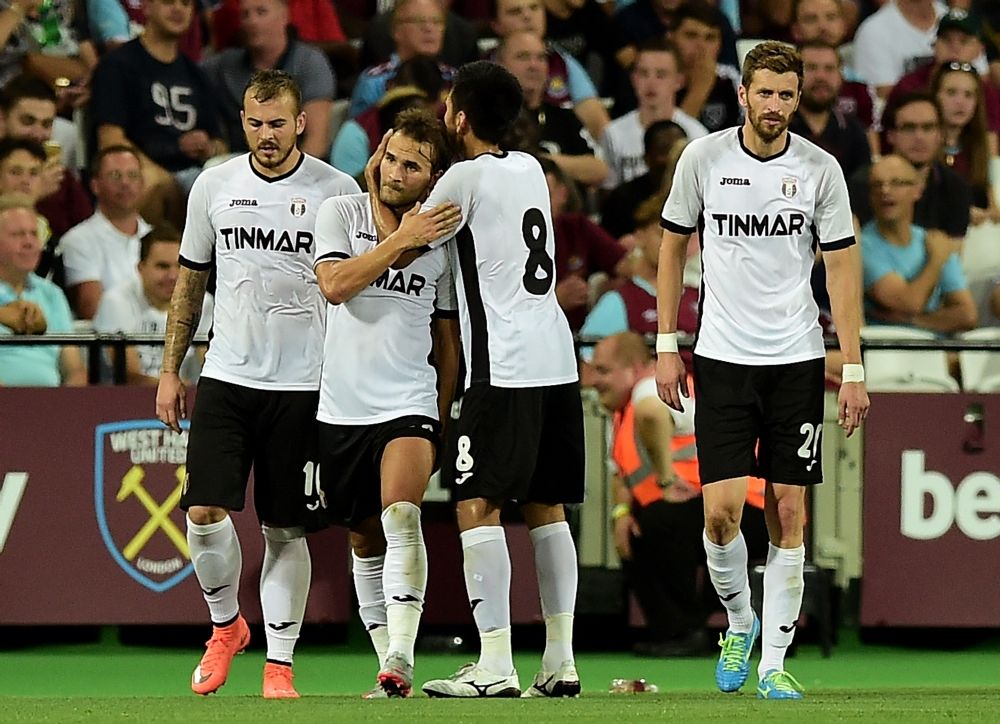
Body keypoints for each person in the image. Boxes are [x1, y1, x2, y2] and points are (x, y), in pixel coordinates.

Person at [656, 41, 869, 700]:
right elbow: (671, 248)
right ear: (743, 95)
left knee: (788, 509)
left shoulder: (820, 169)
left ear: (797, 100)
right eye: (765, 93)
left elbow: (842, 269)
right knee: (721, 515)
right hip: (721, 356)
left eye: (786, 94)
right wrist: (666, 343)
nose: (774, 105)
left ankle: (774, 662)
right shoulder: (703, 158)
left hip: (796, 358)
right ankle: (740, 620)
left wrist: (853, 367)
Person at [154, 70, 360, 700]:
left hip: (305, 385)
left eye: (277, 124)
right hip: (228, 375)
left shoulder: (337, 191)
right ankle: (226, 627)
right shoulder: (214, 184)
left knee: (285, 529)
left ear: (301, 123)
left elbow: (355, 290)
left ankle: (281, 664)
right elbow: (190, 283)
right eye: (255, 123)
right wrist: (170, 369)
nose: (266, 135)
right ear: (242, 122)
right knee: (202, 511)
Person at [396, 61, 584, 698]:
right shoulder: (529, 168)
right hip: (555, 358)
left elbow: (409, 243)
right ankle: (560, 661)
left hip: (501, 364)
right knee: (546, 506)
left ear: (459, 117)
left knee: (477, 503)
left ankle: (496, 663)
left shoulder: (463, 177)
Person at [313, 108, 462, 699]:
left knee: (402, 513)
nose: (397, 172)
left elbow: (447, 341)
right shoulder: (340, 212)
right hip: (342, 407)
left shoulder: (445, 238)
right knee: (362, 538)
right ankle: (386, 663)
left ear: (433, 177)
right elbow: (335, 286)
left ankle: (401, 656)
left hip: (409, 399)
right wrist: (402, 238)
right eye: (391, 158)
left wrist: (440, 417)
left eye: (412, 166)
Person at [592, 331, 707, 657]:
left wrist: (667, 480)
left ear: (634, 368)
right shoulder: (619, 411)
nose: (594, 381)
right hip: (697, 506)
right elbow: (620, 474)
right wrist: (622, 513)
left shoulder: (651, 386)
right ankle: (673, 632)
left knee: (661, 520)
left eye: (603, 371)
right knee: (636, 529)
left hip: (742, 504)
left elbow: (651, 413)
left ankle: (689, 628)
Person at [89, 0, 226, 226]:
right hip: (142, 170)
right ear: (147, 6)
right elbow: (110, 139)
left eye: (186, 3)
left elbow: (220, 144)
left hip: (193, 175)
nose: (178, 9)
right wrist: (162, 175)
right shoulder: (117, 65)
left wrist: (208, 147)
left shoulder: (197, 75)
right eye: (168, 1)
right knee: (152, 182)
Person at [202, 0, 336, 159]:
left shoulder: (309, 62)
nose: (252, 21)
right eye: (245, 15)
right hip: (240, 161)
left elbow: (317, 140)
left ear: (285, 16)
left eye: (261, 12)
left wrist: (292, 172)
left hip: (295, 162)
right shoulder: (225, 65)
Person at [862, 154, 977, 333]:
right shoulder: (862, 246)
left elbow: (967, 315)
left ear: (918, 190)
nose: (885, 191)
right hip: (889, 346)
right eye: (877, 184)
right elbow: (909, 303)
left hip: (933, 346)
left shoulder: (931, 240)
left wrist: (912, 321)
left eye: (897, 183)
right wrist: (936, 261)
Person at [94, 224, 212, 385]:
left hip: (186, 394)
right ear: (140, 268)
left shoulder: (202, 303)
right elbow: (130, 376)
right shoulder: (116, 301)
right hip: (128, 397)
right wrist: (178, 388)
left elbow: (209, 364)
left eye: (180, 266)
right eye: (163, 266)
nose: (173, 276)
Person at [0, 193, 85, 386]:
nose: (29, 243)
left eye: (34, 234)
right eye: (17, 235)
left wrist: (68, 400)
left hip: (51, 400)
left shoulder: (52, 293)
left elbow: (74, 368)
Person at [601, 38, 708, 191]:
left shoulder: (697, 134)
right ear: (633, 78)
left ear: (679, 81)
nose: (651, 83)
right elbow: (608, 191)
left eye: (661, 74)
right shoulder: (613, 133)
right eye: (643, 73)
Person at [61, 145, 150, 319]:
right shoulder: (78, 240)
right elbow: (93, 311)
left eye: (132, 175)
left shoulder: (158, 239)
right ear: (95, 185)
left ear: (142, 184)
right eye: (115, 176)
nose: (125, 183)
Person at [787, 41, 871, 179]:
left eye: (829, 69)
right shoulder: (777, 126)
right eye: (811, 68)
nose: (821, 76)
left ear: (841, 76)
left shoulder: (853, 130)